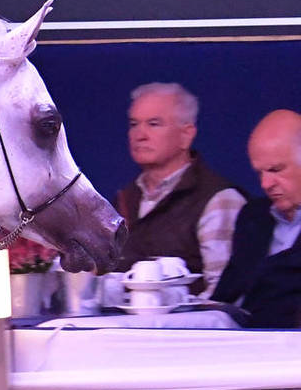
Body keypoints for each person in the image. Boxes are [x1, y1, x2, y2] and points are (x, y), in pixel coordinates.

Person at [116, 82, 245, 294]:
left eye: (154, 124)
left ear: (186, 135)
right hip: (123, 324)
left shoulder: (219, 199)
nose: (140, 135)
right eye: (133, 124)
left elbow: (223, 296)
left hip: (189, 326)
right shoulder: (125, 199)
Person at [211, 110, 301, 328]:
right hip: (227, 338)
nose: (265, 184)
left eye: (275, 169)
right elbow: (226, 293)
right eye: (259, 173)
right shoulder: (253, 216)